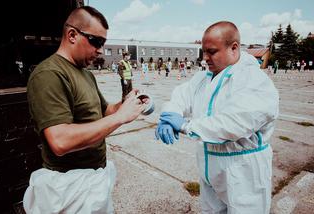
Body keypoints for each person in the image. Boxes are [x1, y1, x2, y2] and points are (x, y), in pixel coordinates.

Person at [24, 6, 145, 213]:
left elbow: (105, 111)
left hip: (93, 180)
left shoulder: (85, 74)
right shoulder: (49, 74)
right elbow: (60, 141)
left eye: (103, 43)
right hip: (67, 188)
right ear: (72, 35)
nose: (100, 50)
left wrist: (126, 104)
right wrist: (121, 118)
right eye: (96, 41)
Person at [155, 21, 279, 214]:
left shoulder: (254, 81)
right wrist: (170, 114)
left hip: (242, 173)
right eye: (203, 52)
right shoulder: (203, 78)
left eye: (211, 52)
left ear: (234, 48)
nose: (205, 58)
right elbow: (182, 96)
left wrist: (187, 126)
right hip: (209, 167)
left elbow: (235, 123)